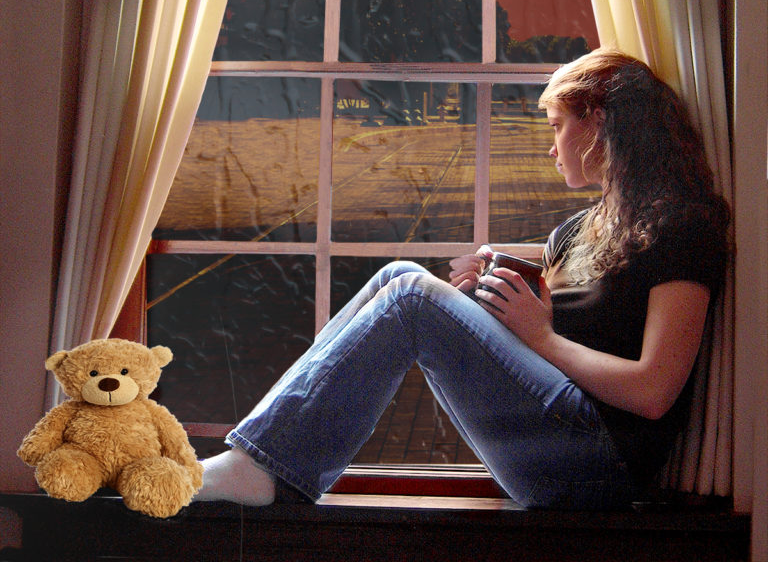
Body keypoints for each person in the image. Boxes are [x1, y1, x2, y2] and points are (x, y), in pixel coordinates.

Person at [196, 48, 729, 510]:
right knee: (399, 276)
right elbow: (534, 331)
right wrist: (484, 296)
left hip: (595, 464)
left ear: (598, 122)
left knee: (412, 297)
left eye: (557, 126)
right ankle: (262, 463)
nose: (551, 147)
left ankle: (260, 467)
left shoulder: (681, 226)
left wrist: (540, 336)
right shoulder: (578, 229)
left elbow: (654, 392)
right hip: (554, 431)